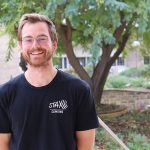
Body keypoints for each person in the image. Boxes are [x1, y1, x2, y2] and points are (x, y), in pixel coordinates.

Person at [0, 13, 99, 150]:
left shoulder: (79, 90)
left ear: (54, 44)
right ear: (20, 45)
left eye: (42, 38)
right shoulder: (5, 94)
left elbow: (86, 147)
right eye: (28, 39)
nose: (35, 45)